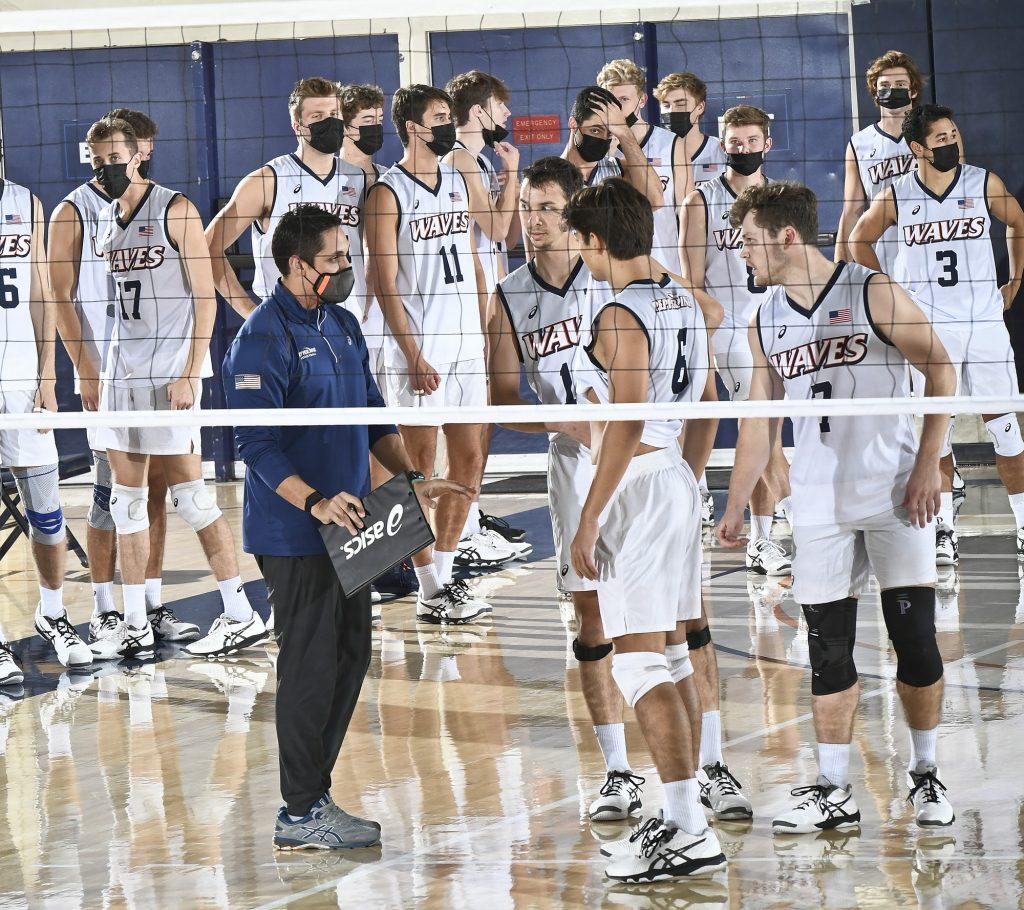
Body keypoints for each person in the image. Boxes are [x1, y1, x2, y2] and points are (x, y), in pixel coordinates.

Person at [223, 204, 469, 849]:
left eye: (344, 255)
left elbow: (372, 412)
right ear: (297, 265)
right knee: (308, 665)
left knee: (350, 656)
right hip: (295, 531)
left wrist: (411, 474)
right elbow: (254, 444)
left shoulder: (341, 321)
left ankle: (315, 796)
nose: (345, 266)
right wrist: (314, 502)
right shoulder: (260, 337)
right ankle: (300, 812)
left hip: (354, 524)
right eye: (333, 258)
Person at [719, 181, 957, 833]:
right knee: (828, 650)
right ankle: (833, 788)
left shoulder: (870, 290)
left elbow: (941, 366)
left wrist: (931, 463)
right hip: (818, 501)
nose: (743, 255)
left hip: (894, 491)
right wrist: (737, 505)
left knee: (915, 643)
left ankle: (926, 774)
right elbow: (759, 423)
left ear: (786, 236)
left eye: (748, 242)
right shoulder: (763, 319)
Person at [565, 178, 726, 882]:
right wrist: (688, 480)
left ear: (596, 242)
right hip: (674, 480)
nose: (581, 256)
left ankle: (689, 827)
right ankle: (684, 814)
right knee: (675, 655)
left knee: (635, 661)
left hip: (639, 483)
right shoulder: (686, 298)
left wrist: (590, 513)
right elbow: (710, 398)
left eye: (582, 243)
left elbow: (626, 420)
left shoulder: (619, 315)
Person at [487, 156, 644, 820]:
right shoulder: (507, 294)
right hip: (571, 457)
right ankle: (616, 769)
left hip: (639, 454)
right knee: (590, 615)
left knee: (662, 616)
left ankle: (704, 763)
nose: (534, 219)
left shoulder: (615, 276)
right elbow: (499, 400)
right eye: (527, 206)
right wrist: (567, 419)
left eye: (548, 206)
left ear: (575, 213)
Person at [85, 116, 265, 659]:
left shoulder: (176, 208)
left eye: (113, 158)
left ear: (138, 154)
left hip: (171, 376)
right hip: (122, 374)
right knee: (128, 503)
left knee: (190, 497)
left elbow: (205, 296)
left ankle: (239, 610)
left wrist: (192, 371)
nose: (105, 168)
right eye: (96, 161)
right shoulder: (103, 217)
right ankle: (136, 622)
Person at [51, 109, 199, 660]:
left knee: (152, 492)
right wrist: (83, 367)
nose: (117, 163)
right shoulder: (74, 210)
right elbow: (58, 298)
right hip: (105, 371)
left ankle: (147, 603)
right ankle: (104, 610)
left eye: (127, 152)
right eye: (104, 156)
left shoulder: (160, 204)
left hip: (153, 364)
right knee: (106, 495)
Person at [850, 104, 1024, 563]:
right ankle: (945, 530)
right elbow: (856, 240)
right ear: (917, 148)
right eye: (941, 138)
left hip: (983, 323)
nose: (951, 143)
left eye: (953, 134)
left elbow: (1019, 223)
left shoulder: (983, 182)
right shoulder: (896, 194)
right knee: (937, 433)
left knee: (1006, 430)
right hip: (928, 329)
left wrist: (1016, 280)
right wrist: (889, 292)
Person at [365, 84, 492, 624]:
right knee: (414, 473)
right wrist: (412, 354)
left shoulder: (460, 179)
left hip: (465, 348)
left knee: (469, 463)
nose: (448, 125)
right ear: (414, 127)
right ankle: (426, 585)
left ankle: (443, 573)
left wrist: (484, 327)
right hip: (419, 356)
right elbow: (384, 284)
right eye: (440, 118)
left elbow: (473, 256)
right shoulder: (388, 193)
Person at [679, 104, 793, 576]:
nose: (742, 149)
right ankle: (795, 521)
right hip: (727, 331)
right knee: (759, 430)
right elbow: (690, 281)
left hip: (776, 328)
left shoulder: (784, 201)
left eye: (751, 141)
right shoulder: (700, 201)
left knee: (768, 435)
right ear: (720, 144)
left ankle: (763, 538)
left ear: (767, 144)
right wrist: (701, 344)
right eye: (734, 142)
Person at [0, 174, 90, 677]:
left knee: (47, 514)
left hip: (22, 384)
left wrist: (47, 373)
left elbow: (40, 292)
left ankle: (52, 614)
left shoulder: (25, 203)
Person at [444, 69, 530, 566]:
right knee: (465, 426)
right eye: (501, 108)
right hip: (466, 309)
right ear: (478, 112)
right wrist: (514, 173)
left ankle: (470, 514)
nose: (507, 117)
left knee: (487, 413)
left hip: (491, 298)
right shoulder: (460, 159)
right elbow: (498, 228)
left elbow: (508, 238)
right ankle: (464, 527)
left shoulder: (479, 160)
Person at [206, 77, 371, 319]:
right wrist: (251, 313)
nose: (329, 121)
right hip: (287, 321)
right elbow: (208, 246)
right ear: (297, 125)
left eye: (334, 113)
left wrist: (367, 300)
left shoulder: (358, 178)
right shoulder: (268, 180)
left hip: (346, 321)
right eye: (317, 116)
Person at [597, 58, 693, 272]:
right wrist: (605, 154)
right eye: (610, 100)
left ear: (642, 100)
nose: (616, 108)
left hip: (664, 264)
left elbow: (689, 218)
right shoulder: (594, 148)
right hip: (613, 267)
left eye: (623, 99)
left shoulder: (671, 144)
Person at [835, 50, 924, 272]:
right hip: (882, 256)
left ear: (912, 91)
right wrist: (838, 269)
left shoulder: (934, 131)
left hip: (929, 246)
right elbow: (851, 211)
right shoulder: (859, 143)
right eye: (884, 85)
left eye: (900, 84)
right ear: (876, 92)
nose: (892, 90)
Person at [559, 85, 663, 209]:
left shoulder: (620, 170)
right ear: (573, 124)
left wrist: (624, 133)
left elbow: (655, 201)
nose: (603, 138)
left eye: (609, 133)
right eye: (595, 130)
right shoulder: (548, 175)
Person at [653, 71, 727, 190]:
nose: (672, 111)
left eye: (681, 104)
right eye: (666, 105)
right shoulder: (650, 153)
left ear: (700, 107)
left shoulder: (722, 152)